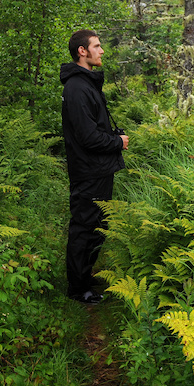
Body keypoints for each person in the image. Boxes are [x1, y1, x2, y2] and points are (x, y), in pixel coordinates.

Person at [60, 29, 129, 305]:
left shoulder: (86, 84)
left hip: (97, 169)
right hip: (89, 171)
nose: (102, 51)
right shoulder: (76, 88)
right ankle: (78, 289)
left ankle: (84, 278)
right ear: (82, 51)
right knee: (84, 227)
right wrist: (117, 142)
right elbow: (88, 137)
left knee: (97, 226)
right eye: (97, 46)